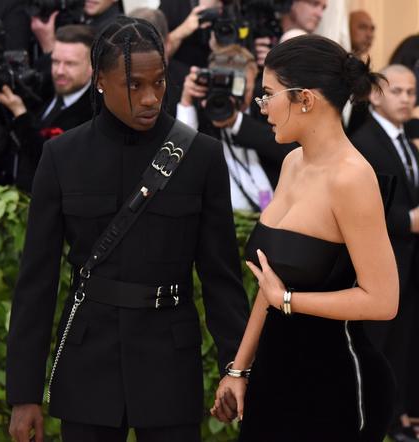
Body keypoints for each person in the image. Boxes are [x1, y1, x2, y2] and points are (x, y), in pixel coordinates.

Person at [6, 16, 249, 442]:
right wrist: (24, 395)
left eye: (159, 82)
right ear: (100, 80)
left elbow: (221, 278)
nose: (151, 97)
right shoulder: (61, 157)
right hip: (88, 360)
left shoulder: (201, 157)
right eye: (134, 85)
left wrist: (237, 369)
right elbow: (36, 283)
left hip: (170, 361)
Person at [211, 34, 399, 442]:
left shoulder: (352, 178)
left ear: (306, 100)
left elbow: (383, 301)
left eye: (267, 95)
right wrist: (238, 371)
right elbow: (269, 279)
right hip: (274, 377)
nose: (261, 108)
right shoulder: (293, 162)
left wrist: (289, 302)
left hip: (337, 385)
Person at [351, 64, 419, 442]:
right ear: (376, 93)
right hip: (382, 259)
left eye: (412, 92)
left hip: (408, 263)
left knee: (403, 345)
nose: (407, 99)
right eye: (398, 91)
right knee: (377, 347)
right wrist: (407, 220)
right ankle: (378, 418)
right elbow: (367, 205)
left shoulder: (405, 140)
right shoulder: (365, 140)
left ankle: (398, 414)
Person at [177, 44, 295, 210]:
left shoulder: (264, 107)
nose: (234, 96)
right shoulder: (200, 111)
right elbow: (180, 159)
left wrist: (236, 121)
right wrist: (186, 102)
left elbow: (289, 151)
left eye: (242, 88)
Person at [0, 25, 94, 193]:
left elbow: (54, 162)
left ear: (93, 67)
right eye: (55, 61)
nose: (59, 71)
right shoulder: (42, 86)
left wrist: (20, 114)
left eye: (70, 64)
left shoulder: (94, 111)